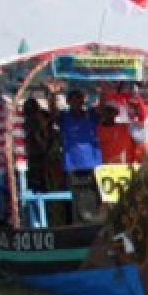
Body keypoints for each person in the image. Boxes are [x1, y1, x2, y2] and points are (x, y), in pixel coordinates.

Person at [54, 89, 103, 223]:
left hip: (93, 162)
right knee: (75, 196)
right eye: (74, 98)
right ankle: (75, 222)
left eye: (79, 98)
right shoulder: (64, 116)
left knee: (95, 193)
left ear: (83, 100)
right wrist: (53, 94)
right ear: (69, 101)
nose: (77, 101)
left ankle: (95, 221)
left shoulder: (91, 114)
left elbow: (102, 110)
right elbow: (54, 115)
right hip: (72, 163)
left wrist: (103, 91)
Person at [96, 101, 135, 166]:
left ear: (116, 113)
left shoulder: (124, 127)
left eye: (112, 111)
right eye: (107, 110)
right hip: (103, 165)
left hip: (121, 165)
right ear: (103, 112)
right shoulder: (96, 129)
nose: (109, 113)